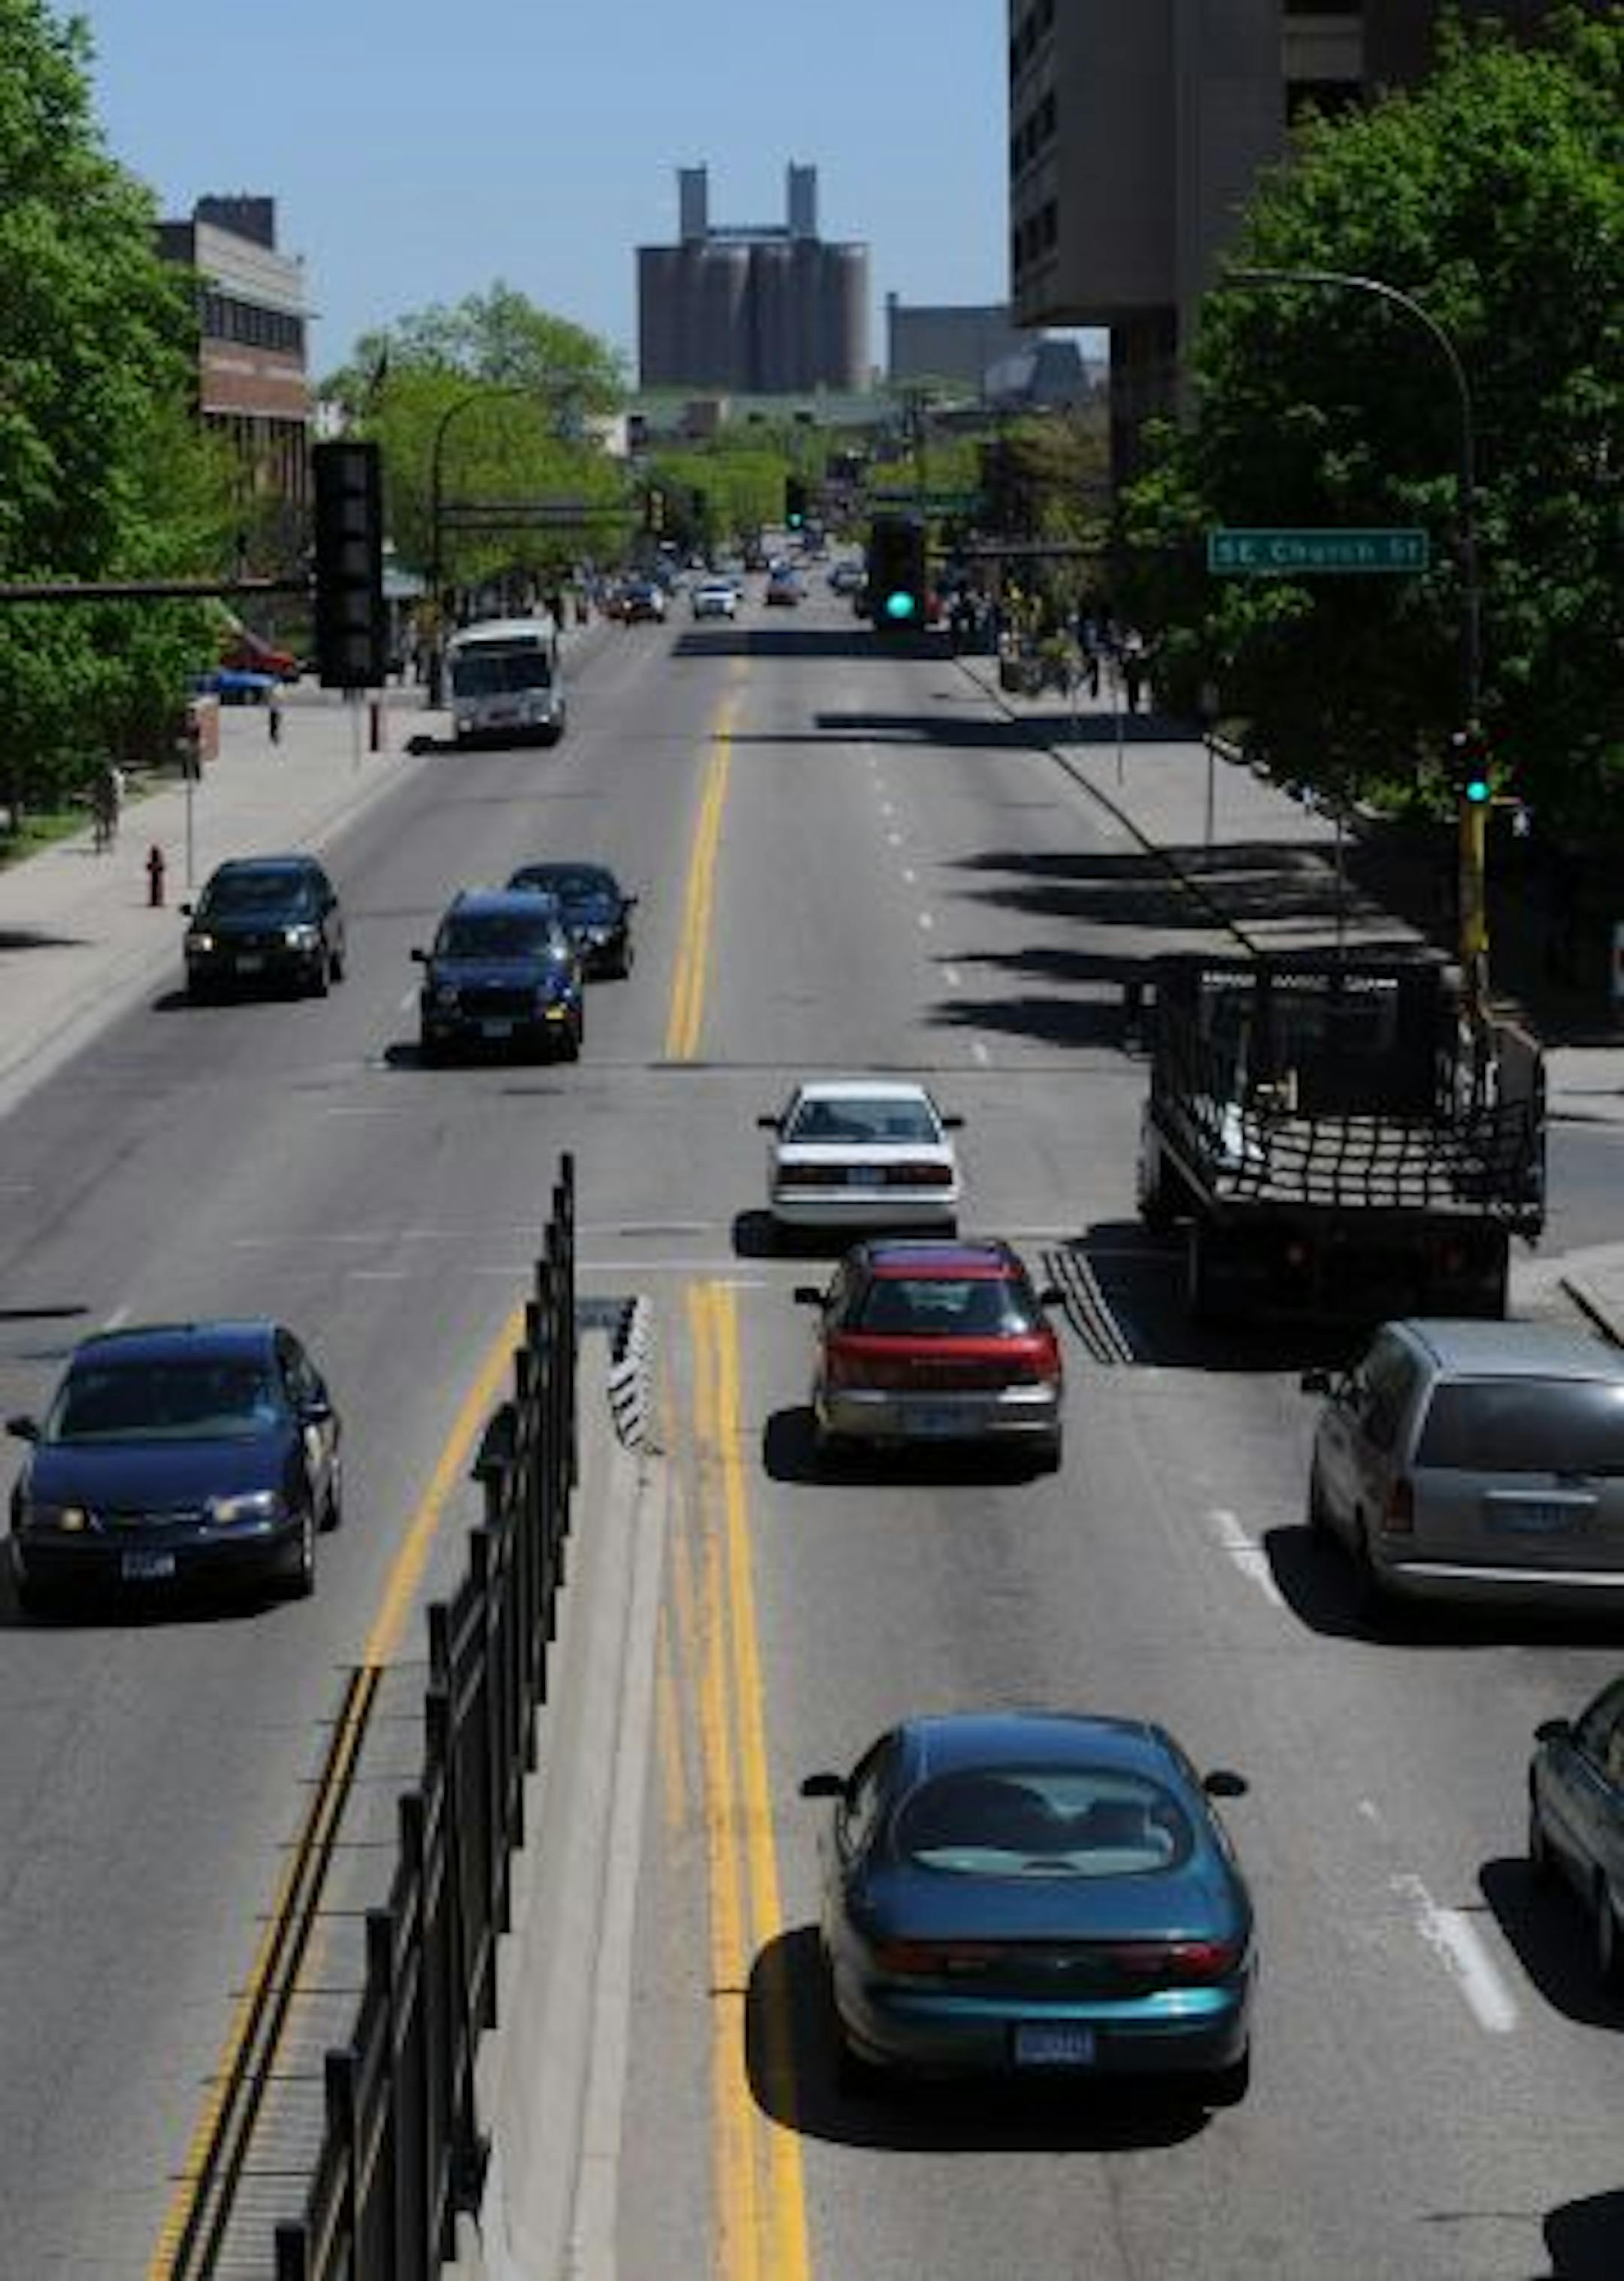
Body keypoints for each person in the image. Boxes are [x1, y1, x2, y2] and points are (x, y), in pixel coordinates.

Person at [92, 761, 123, 853]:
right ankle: (105, 844)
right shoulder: (107, 778)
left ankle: (106, 844)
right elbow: (114, 791)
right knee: (104, 823)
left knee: (105, 823)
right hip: (104, 801)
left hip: (105, 801)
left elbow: (115, 790)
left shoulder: (111, 778)